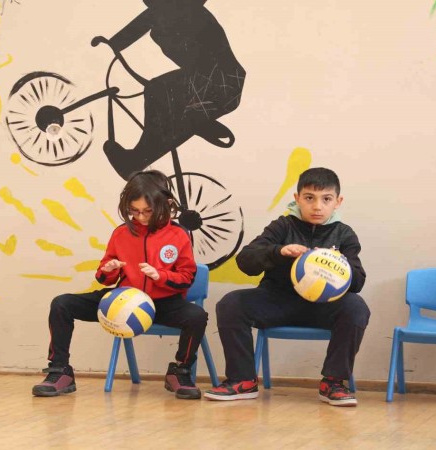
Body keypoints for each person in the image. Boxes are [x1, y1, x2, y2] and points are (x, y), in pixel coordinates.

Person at [32, 170, 208, 400]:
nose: (141, 217)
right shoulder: (121, 233)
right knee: (62, 304)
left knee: (197, 316)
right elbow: (103, 278)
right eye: (134, 211)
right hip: (123, 302)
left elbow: (187, 277)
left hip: (164, 303)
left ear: (164, 204)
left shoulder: (178, 235)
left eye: (147, 211)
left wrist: (160, 276)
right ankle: (59, 370)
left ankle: (180, 371)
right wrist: (109, 270)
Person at [204, 167, 369, 406]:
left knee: (356, 307)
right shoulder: (282, 226)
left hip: (322, 307)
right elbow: (246, 261)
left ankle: (333, 383)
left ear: (338, 202)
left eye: (326, 199)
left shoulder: (344, 234)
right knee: (231, 303)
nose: (317, 206)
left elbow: (358, 282)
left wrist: (338, 266)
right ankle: (242, 380)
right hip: (277, 301)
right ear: (297, 198)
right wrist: (279, 251)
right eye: (309, 198)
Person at [92, 0, 245, 180]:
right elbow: (141, 24)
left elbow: (149, 21)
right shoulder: (161, 14)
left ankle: (137, 160)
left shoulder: (185, 10)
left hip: (220, 82)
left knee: (157, 92)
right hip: (209, 81)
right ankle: (193, 125)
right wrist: (111, 44)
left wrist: (113, 44)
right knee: (161, 97)